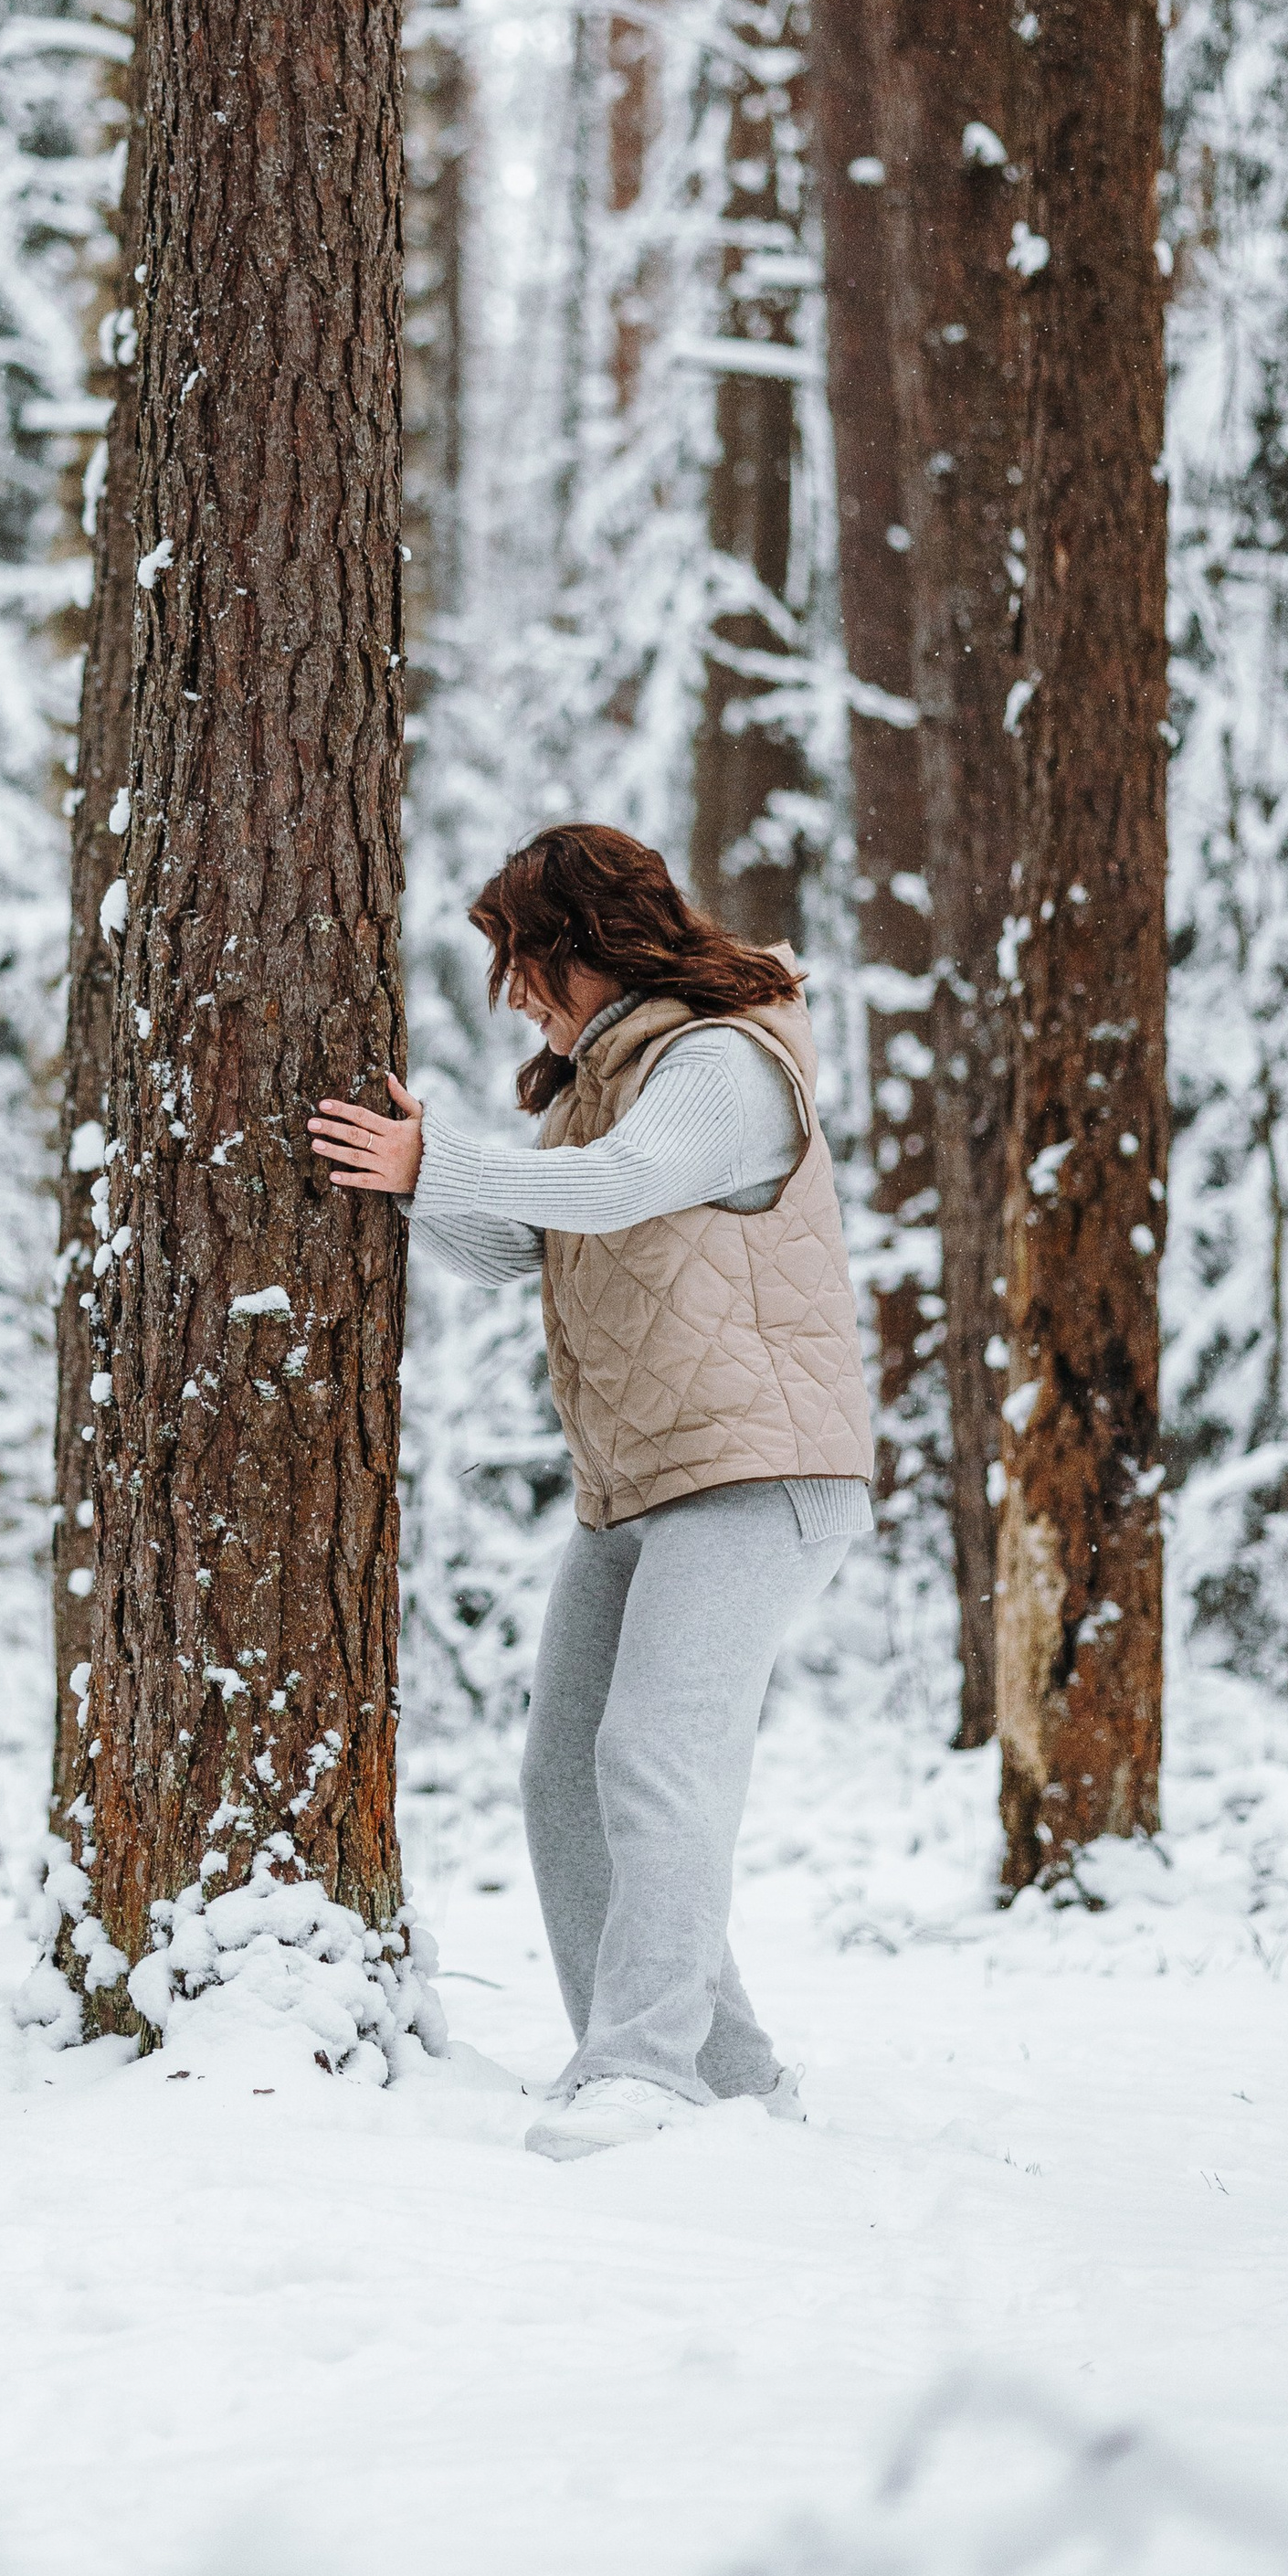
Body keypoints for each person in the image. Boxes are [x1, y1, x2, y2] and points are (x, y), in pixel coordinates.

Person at [309, 822, 874, 2161]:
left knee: (655, 1758)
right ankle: (727, 2078)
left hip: (758, 1468)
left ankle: (642, 2073)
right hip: (645, 1480)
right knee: (566, 1774)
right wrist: (412, 1168)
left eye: (523, 960)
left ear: (585, 944)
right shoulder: (596, 1084)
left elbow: (617, 1191)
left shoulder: (723, 1060)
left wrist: (434, 1166)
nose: (515, 992)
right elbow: (516, 1241)